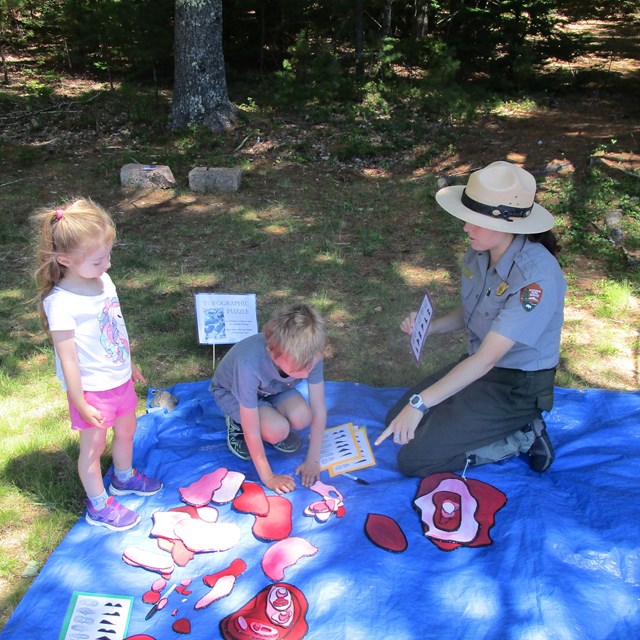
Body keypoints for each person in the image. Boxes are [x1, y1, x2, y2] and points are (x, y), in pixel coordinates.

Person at [375, 161, 566, 476]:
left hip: (517, 385)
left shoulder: (536, 279)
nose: (466, 228)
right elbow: (474, 311)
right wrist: (429, 327)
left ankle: (523, 434)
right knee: (397, 420)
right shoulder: (481, 251)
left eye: (476, 221)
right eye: (467, 218)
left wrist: (420, 404)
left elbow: (486, 360)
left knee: (415, 458)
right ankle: (477, 421)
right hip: (482, 365)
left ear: (508, 225)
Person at [33, 198, 162, 531]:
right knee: (92, 449)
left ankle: (122, 477)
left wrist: (129, 361)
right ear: (65, 260)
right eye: (98, 260)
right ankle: (99, 505)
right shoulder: (60, 303)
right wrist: (79, 401)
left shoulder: (104, 282)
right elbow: (68, 359)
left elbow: (117, 324)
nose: (107, 266)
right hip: (91, 390)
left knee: (127, 430)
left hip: (118, 380)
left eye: (108, 256)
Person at [210, 303, 328, 494]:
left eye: (309, 368)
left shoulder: (310, 353)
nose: (306, 374)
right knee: (277, 431)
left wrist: (313, 459)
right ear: (273, 352)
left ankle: (270, 415)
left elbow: (318, 409)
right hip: (232, 392)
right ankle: (234, 420)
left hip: (273, 389)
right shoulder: (249, 363)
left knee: (302, 418)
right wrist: (269, 477)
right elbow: (252, 430)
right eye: (298, 369)